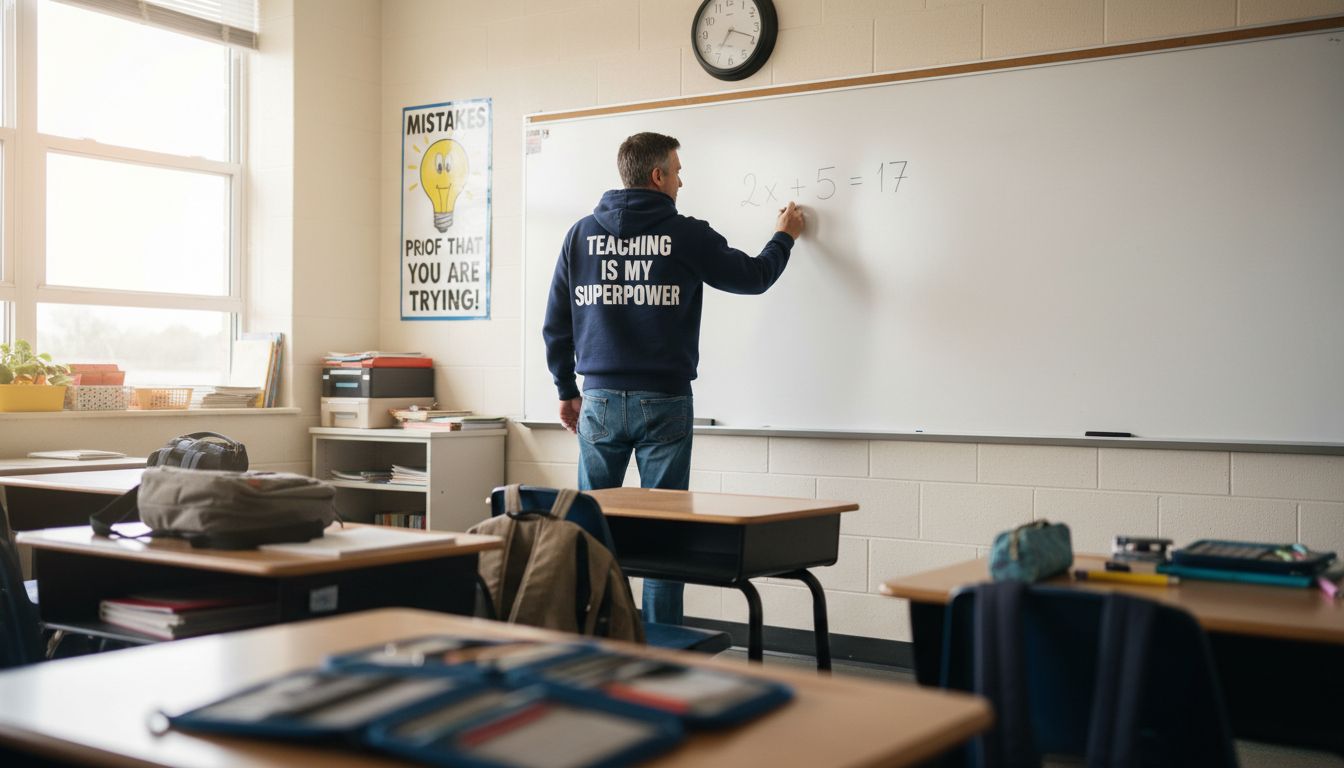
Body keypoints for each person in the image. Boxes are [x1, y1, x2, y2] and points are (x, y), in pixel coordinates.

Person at [542, 132, 805, 625]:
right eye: (678, 171)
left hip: (596, 401)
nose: (682, 180)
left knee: (593, 533)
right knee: (664, 535)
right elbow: (753, 277)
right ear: (657, 175)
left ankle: (593, 633)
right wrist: (784, 236)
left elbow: (556, 323)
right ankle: (665, 646)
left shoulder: (580, 235)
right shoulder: (684, 233)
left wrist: (565, 390)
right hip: (664, 401)